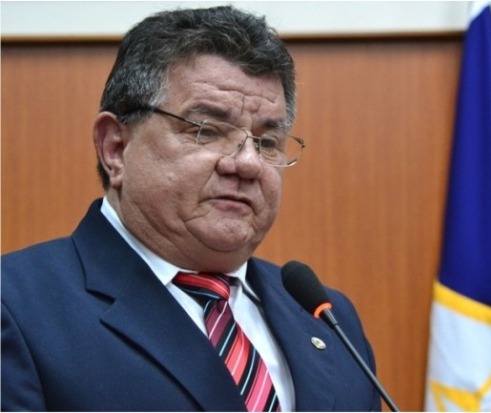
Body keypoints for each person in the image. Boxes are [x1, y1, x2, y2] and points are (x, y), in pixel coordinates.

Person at [1, 6, 380, 412]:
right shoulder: (17, 307)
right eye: (207, 131)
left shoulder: (329, 318)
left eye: (267, 142)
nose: (247, 163)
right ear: (116, 148)